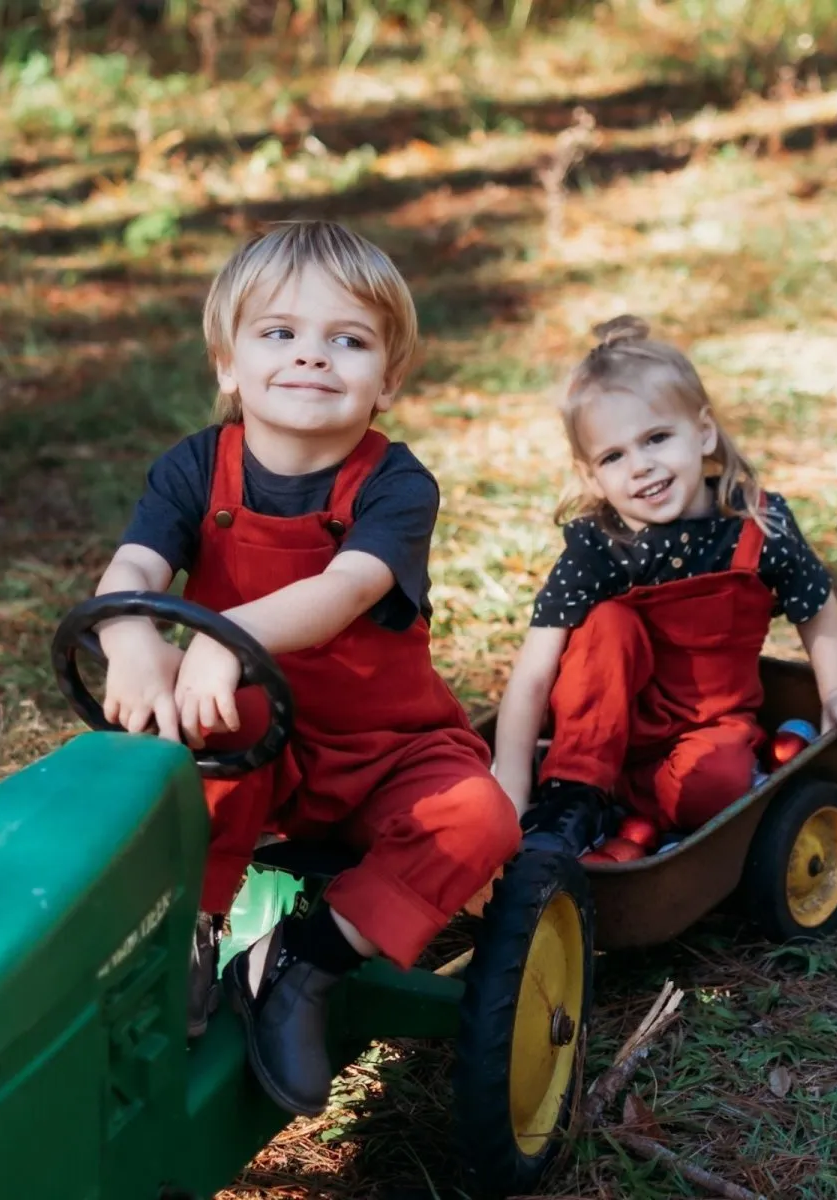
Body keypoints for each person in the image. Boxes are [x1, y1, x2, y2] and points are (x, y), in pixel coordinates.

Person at [93, 220, 521, 1117]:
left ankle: (305, 960)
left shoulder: (396, 486)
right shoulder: (193, 470)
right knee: (203, 716)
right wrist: (132, 635)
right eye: (280, 333)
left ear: (388, 378)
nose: (312, 358)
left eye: (348, 340)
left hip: (384, 746)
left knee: (480, 819)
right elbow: (134, 567)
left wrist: (220, 633)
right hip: (256, 748)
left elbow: (344, 589)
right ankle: (194, 931)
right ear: (227, 360)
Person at [494, 315, 837, 854]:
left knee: (718, 786)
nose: (642, 467)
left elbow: (813, 602)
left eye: (656, 438)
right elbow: (535, 673)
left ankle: (620, 803)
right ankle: (574, 793)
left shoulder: (756, 525)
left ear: (703, 433)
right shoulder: (600, 545)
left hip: (711, 725)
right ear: (591, 477)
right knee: (607, 622)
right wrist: (511, 792)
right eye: (613, 456)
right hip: (605, 728)